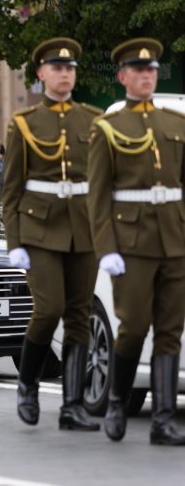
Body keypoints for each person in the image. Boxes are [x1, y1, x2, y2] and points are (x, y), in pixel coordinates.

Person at [87, 38, 185, 445]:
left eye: (151, 70)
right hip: (132, 241)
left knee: (170, 329)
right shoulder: (107, 128)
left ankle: (163, 418)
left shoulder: (176, 125)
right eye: (138, 71)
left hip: (175, 238)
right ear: (123, 76)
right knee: (132, 328)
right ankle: (116, 401)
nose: (146, 76)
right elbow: (97, 194)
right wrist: (107, 248)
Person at [2, 37, 102, 431]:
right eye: (57, 68)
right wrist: (14, 243)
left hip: (85, 228)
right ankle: (27, 384)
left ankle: (72, 405)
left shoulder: (93, 120)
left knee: (79, 315)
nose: (65, 73)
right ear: (42, 73)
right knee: (50, 308)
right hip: (40, 229)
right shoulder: (24, 123)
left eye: (70, 68)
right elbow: (11, 189)